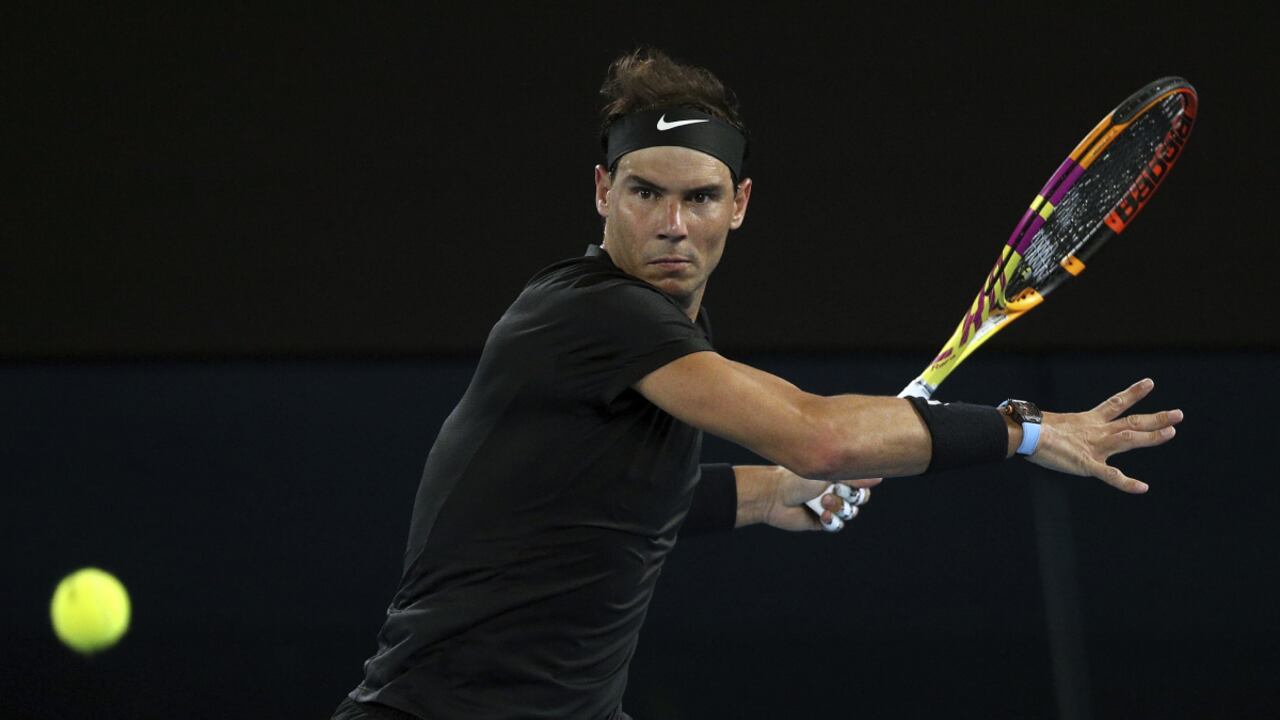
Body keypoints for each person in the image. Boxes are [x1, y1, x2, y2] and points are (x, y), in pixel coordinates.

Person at [332, 49, 1181, 720]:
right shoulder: (592, 314)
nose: (673, 224)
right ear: (603, 193)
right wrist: (1025, 431)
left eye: (699, 197)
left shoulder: (661, 333)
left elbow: (609, 503)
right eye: (645, 193)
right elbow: (822, 436)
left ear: (738, 203)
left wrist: (775, 494)